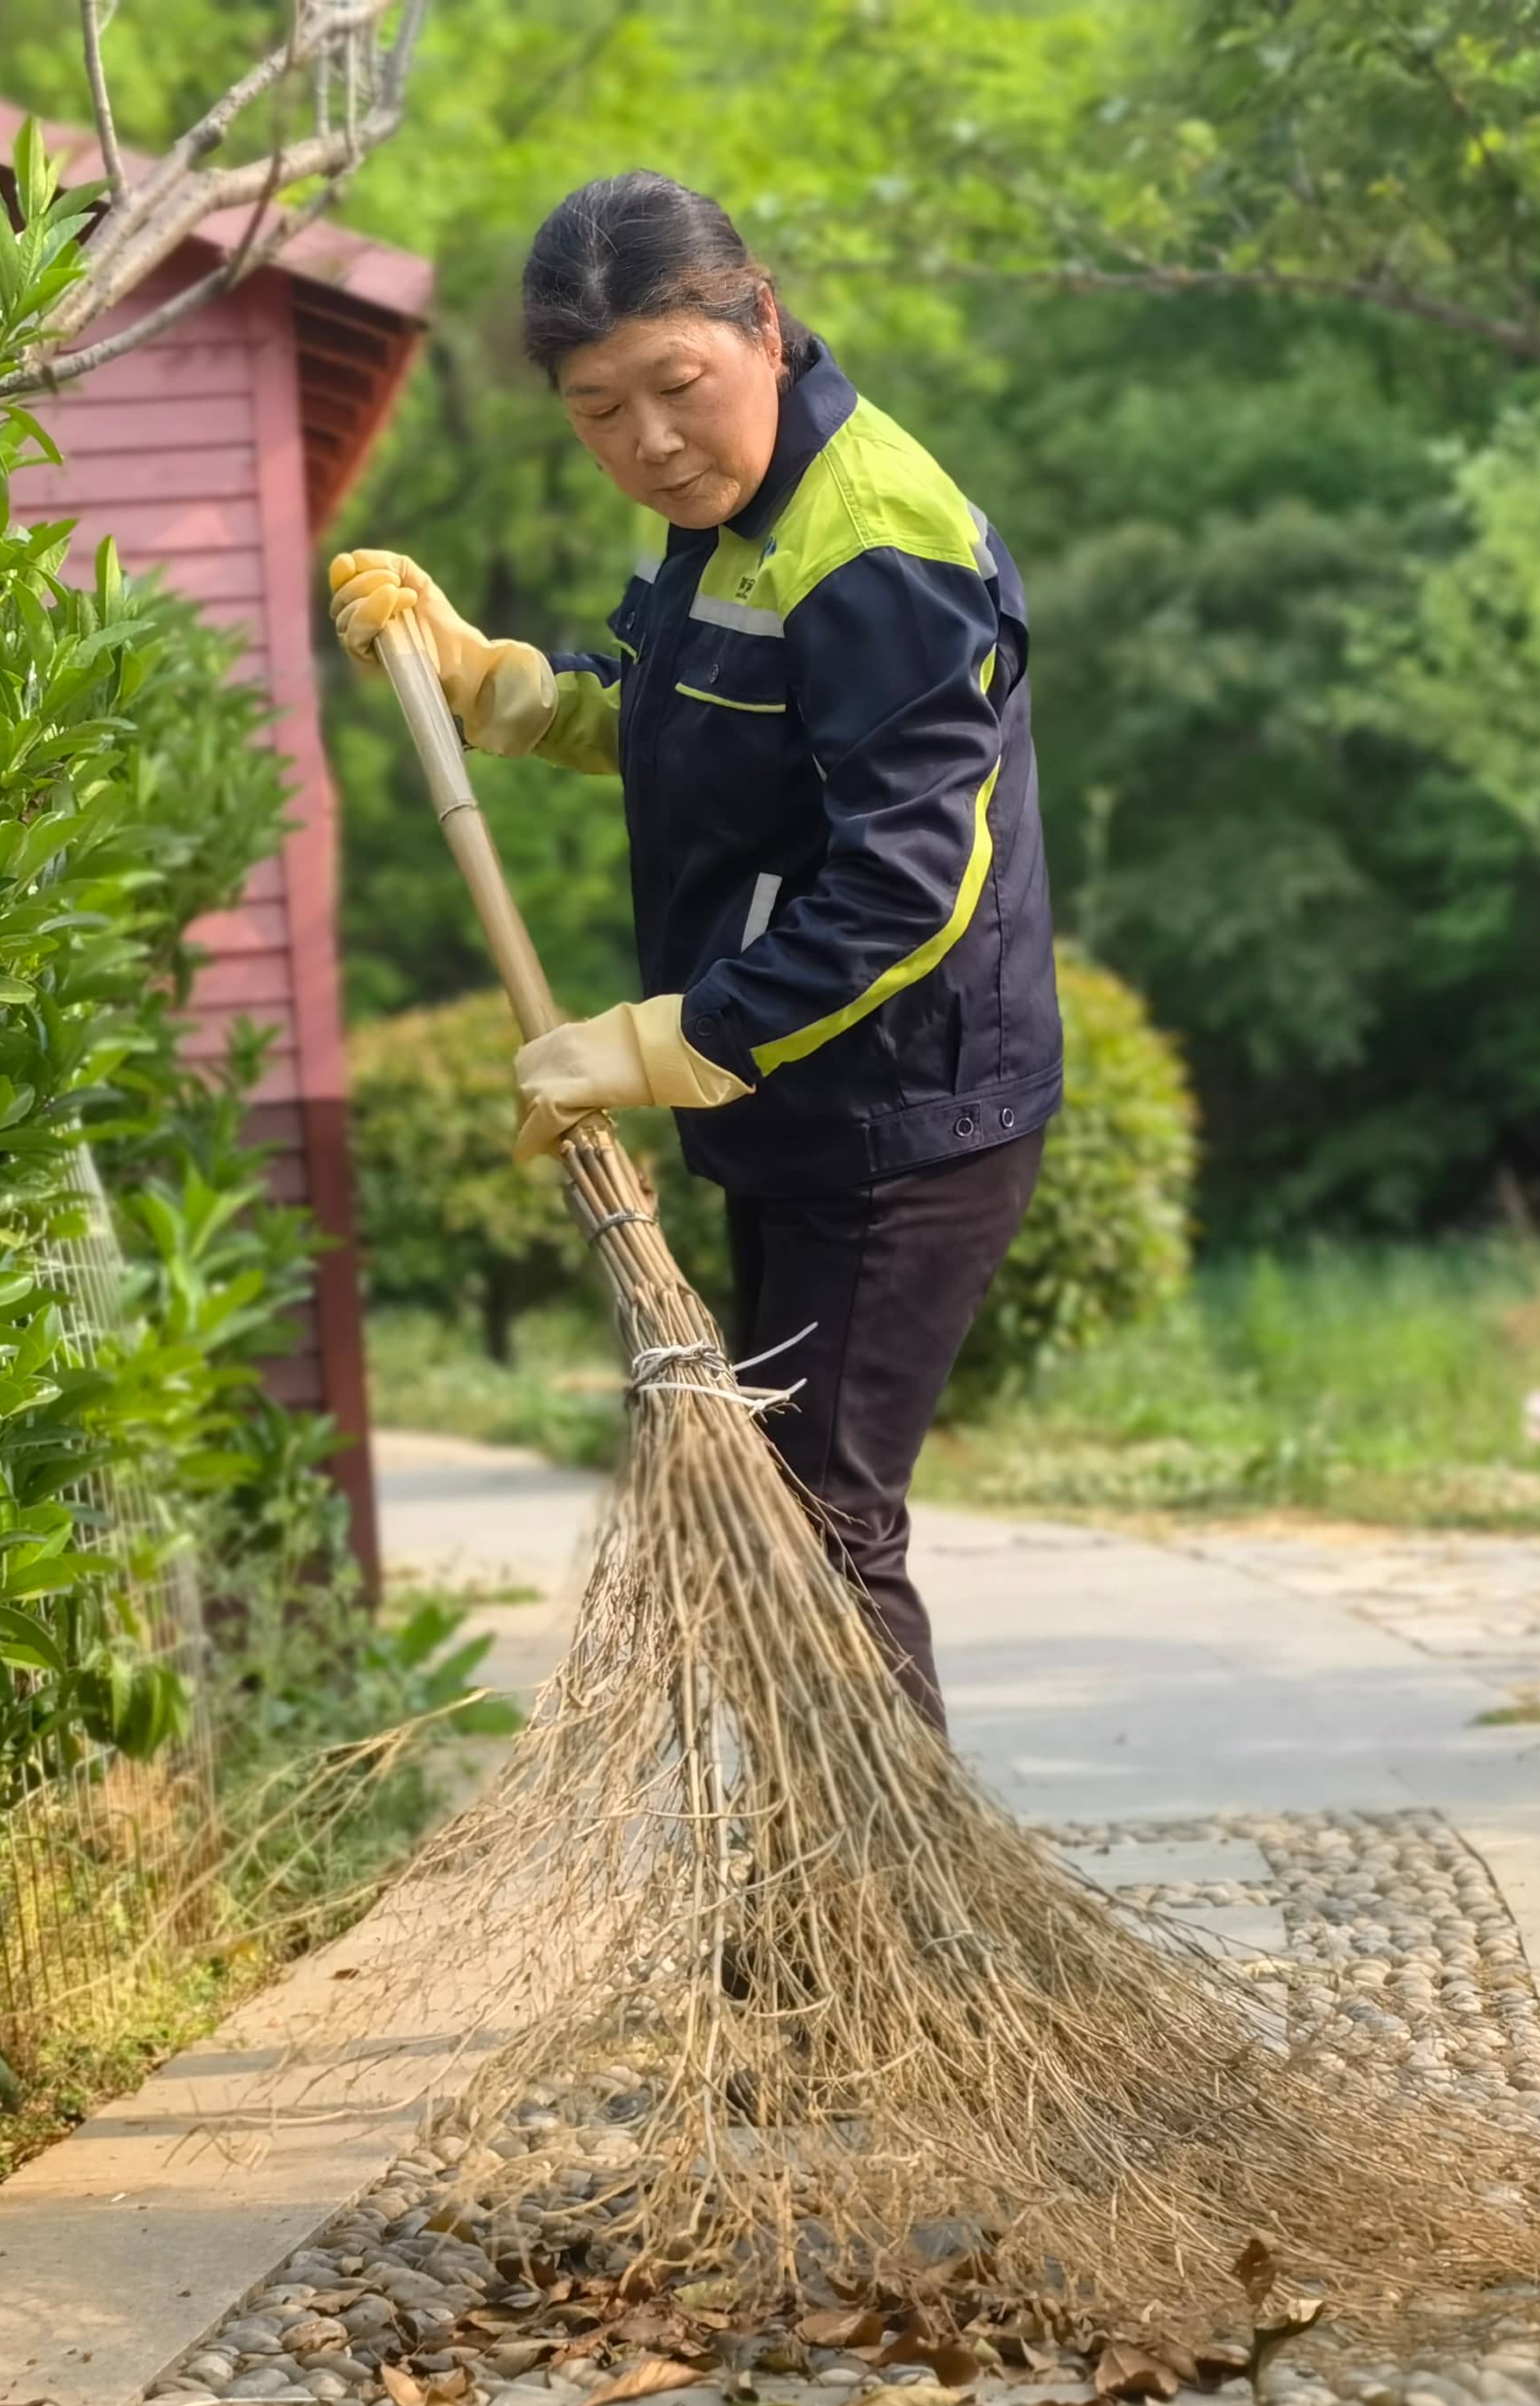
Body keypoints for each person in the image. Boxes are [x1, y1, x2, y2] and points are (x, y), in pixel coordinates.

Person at [328, 169, 1059, 1728]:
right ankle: (816, 1912)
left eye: (678, 386)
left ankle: (888, 1927)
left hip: (903, 1110)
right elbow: (692, 722)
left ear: (764, 325)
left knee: (818, 1525)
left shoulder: (876, 544)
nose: (649, 443)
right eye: (599, 412)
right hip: (789, 1101)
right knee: (786, 1521)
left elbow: (904, 888)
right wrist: (506, 688)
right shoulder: (721, 515)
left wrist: (666, 1043)